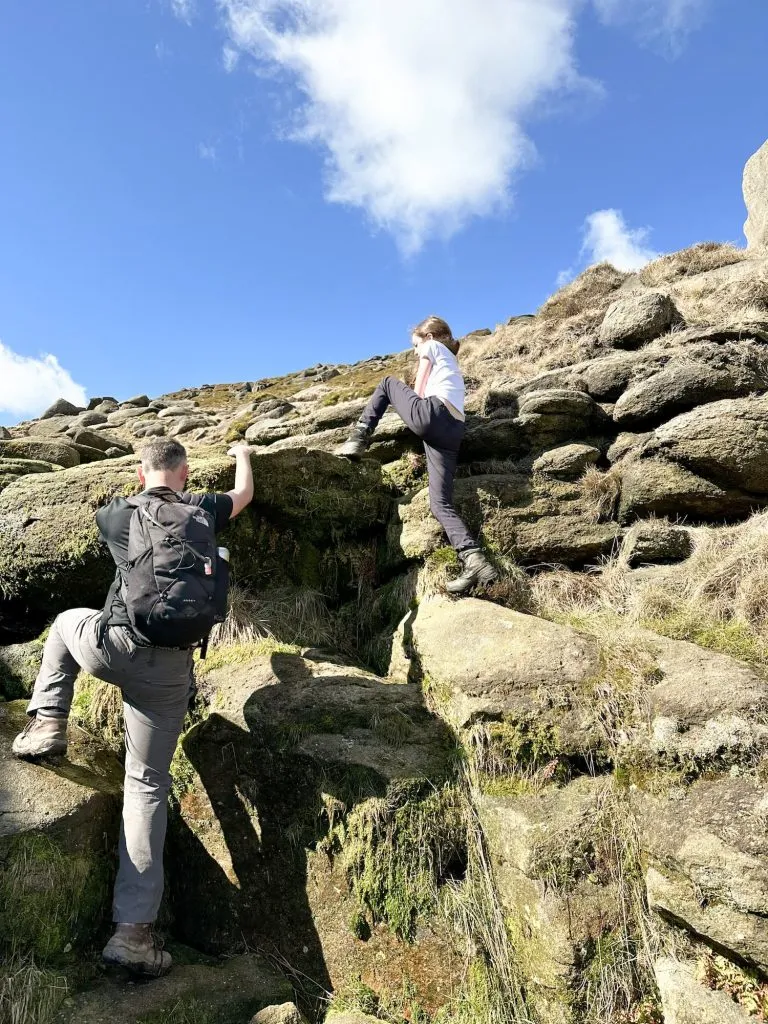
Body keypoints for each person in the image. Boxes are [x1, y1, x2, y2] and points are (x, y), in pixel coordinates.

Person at [11, 438, 255, 977]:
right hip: (170, 671)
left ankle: (48, 723)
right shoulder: (204, 509)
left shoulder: (117, 513)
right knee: (146, 785)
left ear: (139, 472)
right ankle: (134, 936)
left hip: (113, 647)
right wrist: (242, 453)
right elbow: (243, 494)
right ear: (185, 473)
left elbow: (117, 532)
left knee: (62, 624)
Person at [338, 316, 497, 595]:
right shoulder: (452, 364)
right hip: (453, 430)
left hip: (432, 414)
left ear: (430, 337)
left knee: (387, 383)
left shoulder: (432, 348)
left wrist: (408, 402)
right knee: (440, 503)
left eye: (415, 344)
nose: (414, 351)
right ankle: (475, 561)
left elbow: (420, 391)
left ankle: (359, 437)